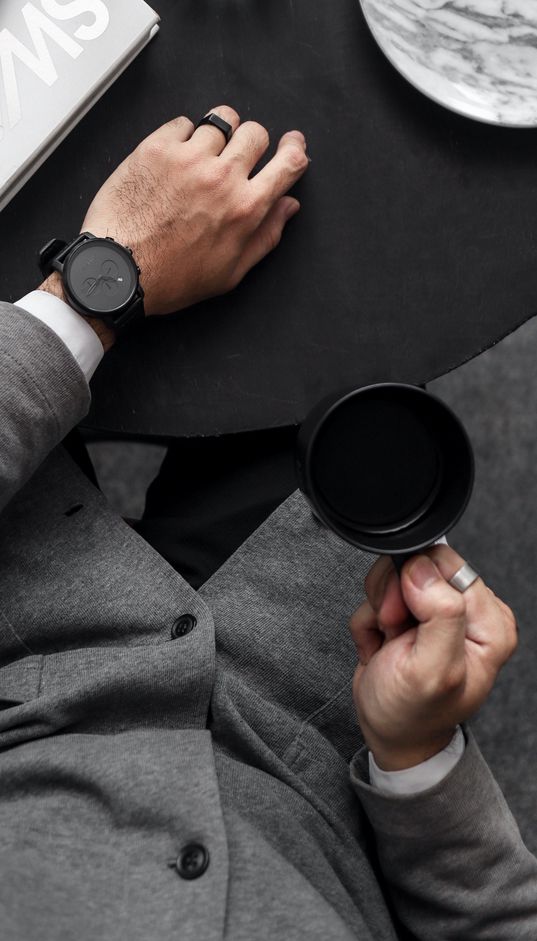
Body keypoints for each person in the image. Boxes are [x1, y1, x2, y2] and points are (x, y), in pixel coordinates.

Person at [0, 104, 536, 941]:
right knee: (351, 227)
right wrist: (418, 757)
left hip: (23, 654)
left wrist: (98, 286)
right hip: (307, 711)